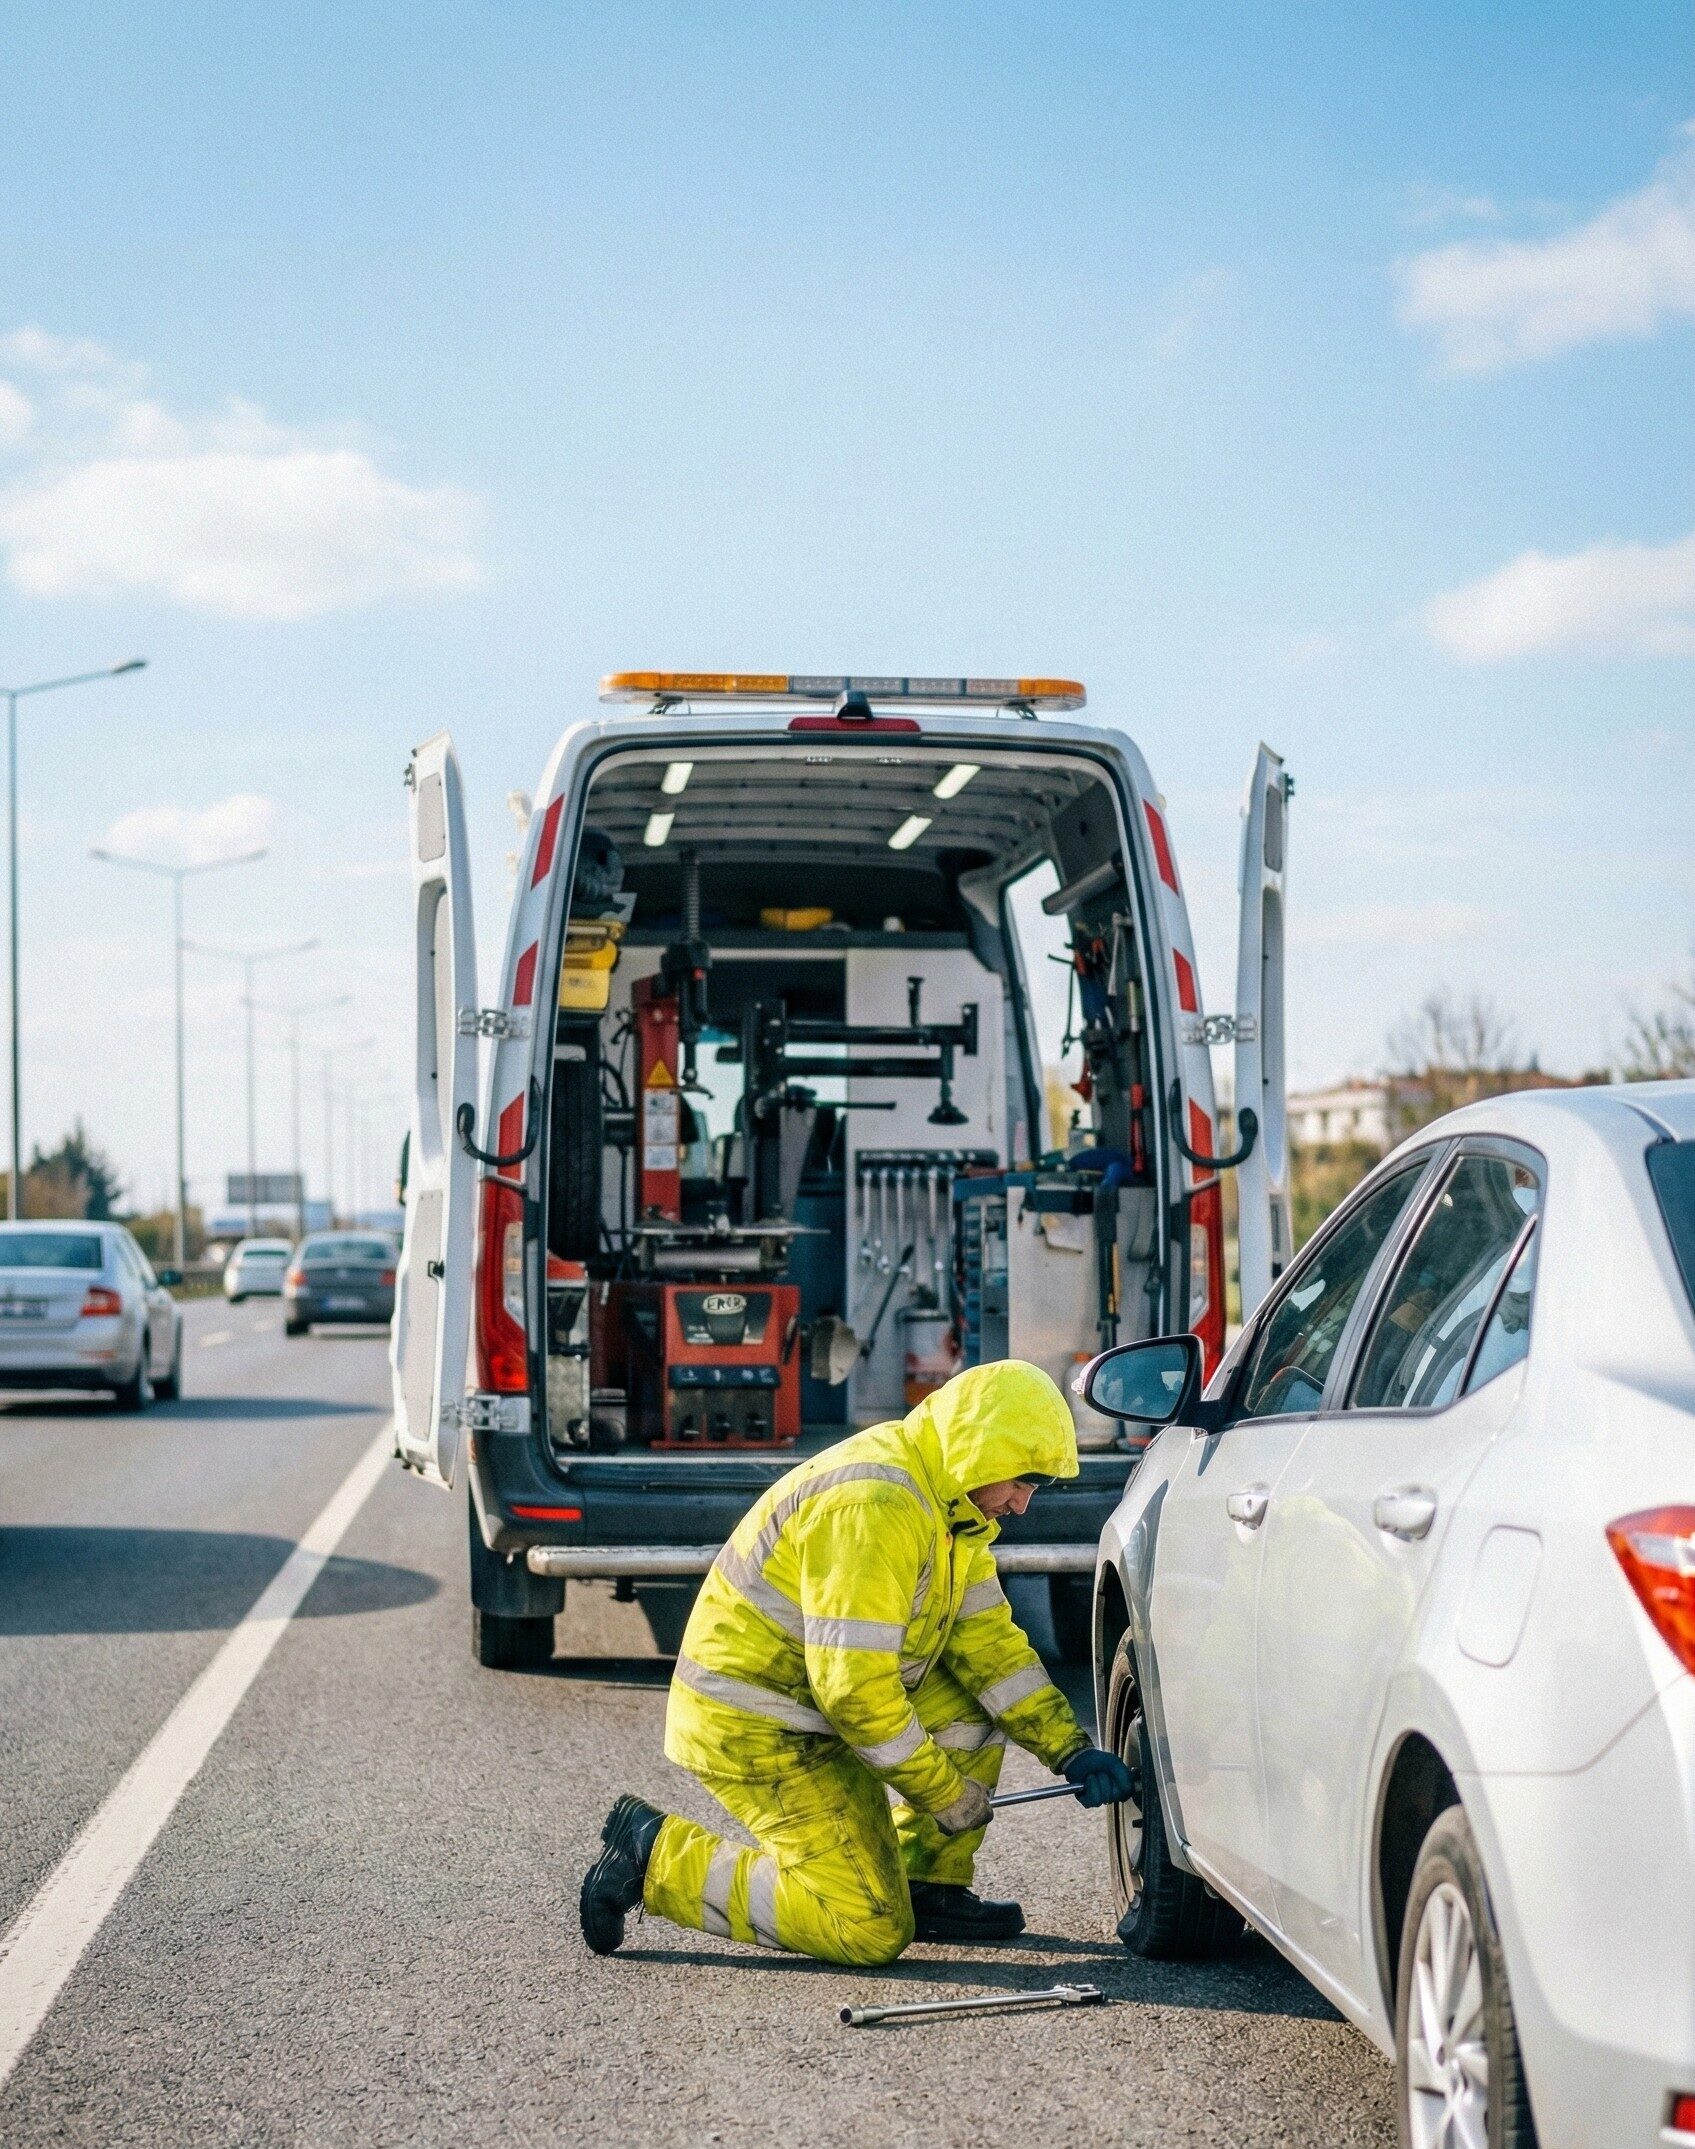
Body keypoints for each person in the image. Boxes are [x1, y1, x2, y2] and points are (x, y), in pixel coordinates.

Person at [579, 1359, 1135, 1965]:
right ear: (983, 1452)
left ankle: (930, 1889)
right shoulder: (877, 1503)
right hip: (757, 1723)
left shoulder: (955, 1510)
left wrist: (1069, 1748)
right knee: (866, 1929)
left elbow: (992, 1652)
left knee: (972, 1705)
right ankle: (652, 1855)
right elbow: (855, 1696)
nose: (1022, 1505)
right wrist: (945, 1795)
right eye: (1021, 1483)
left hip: (808, 1697)